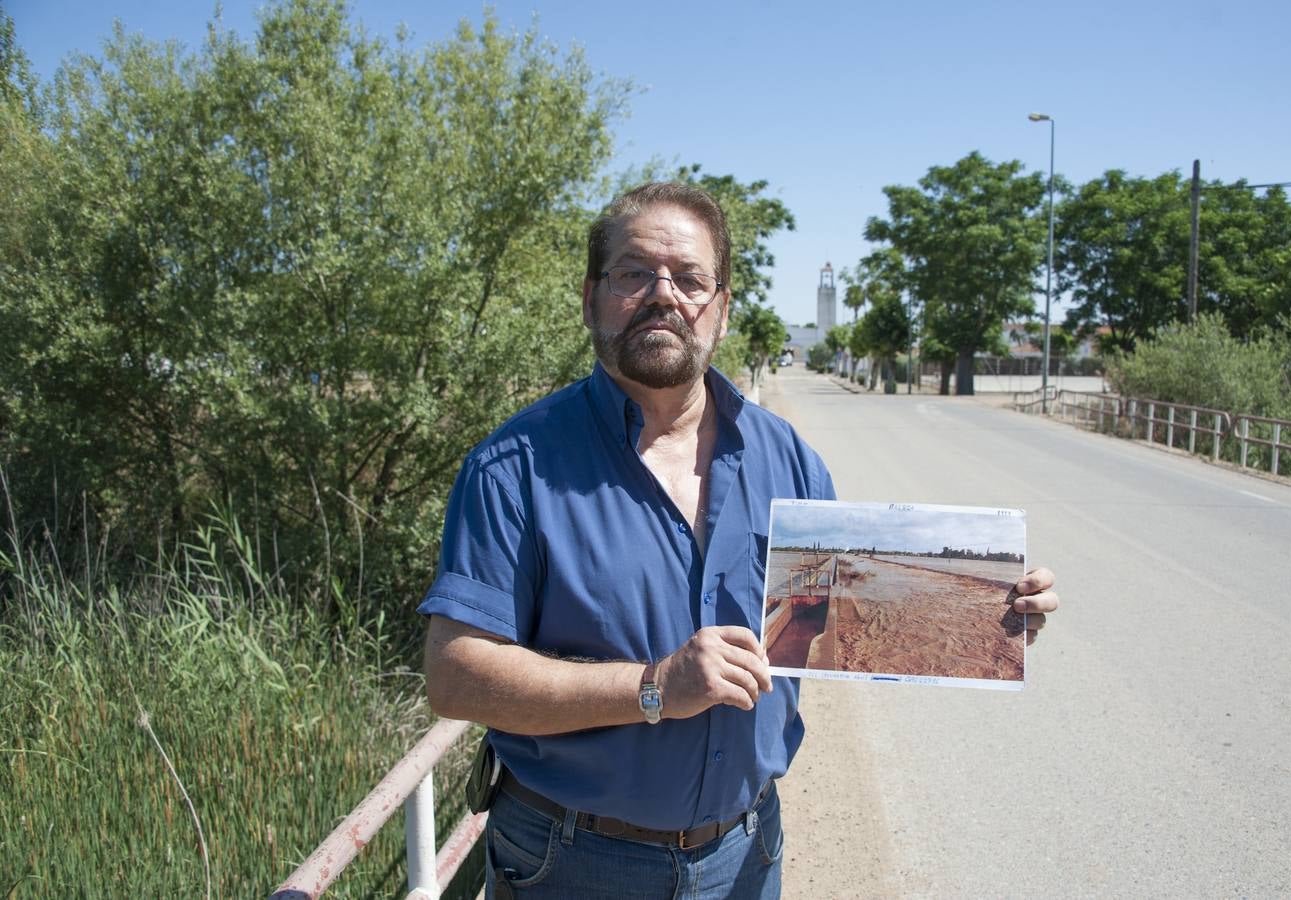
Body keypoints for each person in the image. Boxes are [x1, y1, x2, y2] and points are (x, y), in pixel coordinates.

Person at [420, 182, 1059, 899]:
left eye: (691, 279)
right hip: (572, 860)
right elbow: (455, 676)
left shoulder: (789, 461)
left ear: (720, 312)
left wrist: (989, 622)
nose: (664, 295)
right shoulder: (514, 468)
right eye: (633, 274)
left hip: (747, 854)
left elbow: (840, 620)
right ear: (591, 298)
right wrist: (654, 687)